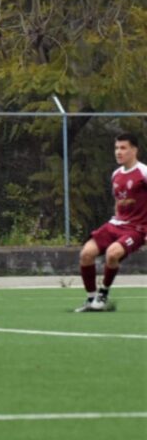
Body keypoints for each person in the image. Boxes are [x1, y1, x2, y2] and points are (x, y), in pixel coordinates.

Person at [75, 133, 146, 312]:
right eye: (116, 148)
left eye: (123, 148)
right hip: (116, 224)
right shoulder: (116, 174)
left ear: (134, 150)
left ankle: (103, 295)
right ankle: (91, 300)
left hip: (137, 228)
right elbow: (118, 203)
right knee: (86, 254)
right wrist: (116, 219)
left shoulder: (143, 173)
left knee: (113, 254)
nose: (118, 152)